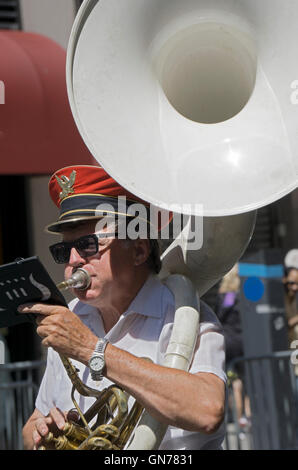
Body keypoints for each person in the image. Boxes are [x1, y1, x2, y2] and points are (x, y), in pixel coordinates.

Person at [21, 165, 226, 450]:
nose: (72, 261)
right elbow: (33, 422)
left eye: (88, 245)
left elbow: (207, 410)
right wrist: (42, 434)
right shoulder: (73, 315)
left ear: (139, 250)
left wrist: (90, 349)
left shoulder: (184, 314)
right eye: (63, 251)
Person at [215, 265, 251, 430]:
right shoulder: (236, 295)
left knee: (233, 381)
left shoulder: (227, 295)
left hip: (228, 342)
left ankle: (238, 418)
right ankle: (244, 417)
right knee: (242, 381)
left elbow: (220, 315)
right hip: (241, 341)